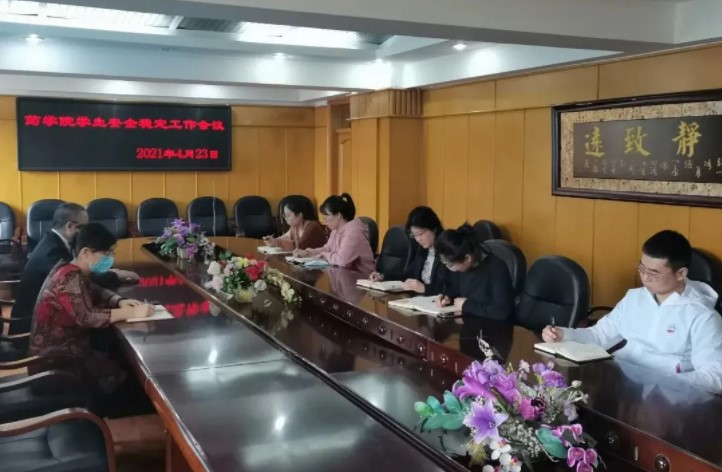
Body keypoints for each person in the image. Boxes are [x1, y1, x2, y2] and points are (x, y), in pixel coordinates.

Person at [542, 230, 722, 395]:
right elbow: (600, 335)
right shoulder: (635, 298)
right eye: (642, 268)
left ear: (681, 273)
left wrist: (668, 381)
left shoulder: (703, 316)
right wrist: (563, 334)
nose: (645, 277)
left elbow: (714, 377)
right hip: (622, 383)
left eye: (653, 273)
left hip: (668, 396)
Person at [29, 223, 153, 395]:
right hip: (57, 367)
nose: (110, 258)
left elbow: (94, 289)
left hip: (67, 355)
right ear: (86, 253)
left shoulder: (71, 269)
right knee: (130, 380)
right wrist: (129, 312)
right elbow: (86, 317)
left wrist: (119, 301)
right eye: (106, 253)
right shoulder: (69, 277)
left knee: (123, 364)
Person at [9, 203, 137, 335]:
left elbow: (85, 283)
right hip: (30, 327)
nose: (85, 232)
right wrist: (126, 310)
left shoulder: (55, 242)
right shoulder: (52, 253)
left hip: (53, 322)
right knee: (103, 334)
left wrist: (117, 300)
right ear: (69, 226)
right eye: (83, 227)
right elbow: (85, 306)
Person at [434, 224, 514, 320]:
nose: (451, 269)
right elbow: (457, 290)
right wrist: (448, 297)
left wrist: (466, 305)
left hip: (490, 326)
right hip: (467, 322)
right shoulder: (461, 265)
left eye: (451, 265)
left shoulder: (497, 268)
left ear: (467, 258)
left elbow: (501, 312)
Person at [369, 206, 449, 295]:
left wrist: (425, 288)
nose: (418, 239)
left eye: (420, 234)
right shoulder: (424, 250)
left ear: (434, 228)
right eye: (414, 235)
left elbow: (452, 288)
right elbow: (407, 275)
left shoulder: (448, 249)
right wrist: (383, 276)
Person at [292, 193, 375, 276]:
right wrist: (307, 252)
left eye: (326, 216)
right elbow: (327, 248)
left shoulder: (354, 231)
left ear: (338, 215)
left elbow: (343, 260)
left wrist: (323, 255)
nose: (324, 220)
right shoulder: (336, 229)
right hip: (343, 275)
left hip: (362, 278)